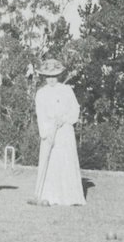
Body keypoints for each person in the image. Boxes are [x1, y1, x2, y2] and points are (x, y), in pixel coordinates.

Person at [30, 58, 86, 207]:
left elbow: (75, 109)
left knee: (65, 160)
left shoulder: (67, 90)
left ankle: (69, 197)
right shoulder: (41, 93)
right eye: (48, 76)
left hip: (65, 130)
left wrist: (65, 119)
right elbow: (40, 114)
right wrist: (46, 132)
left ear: (59, 76)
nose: (51, 79)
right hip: (49, 130)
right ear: (44, 77)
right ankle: (48, 195)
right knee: (52, 162)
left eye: (54, 76)